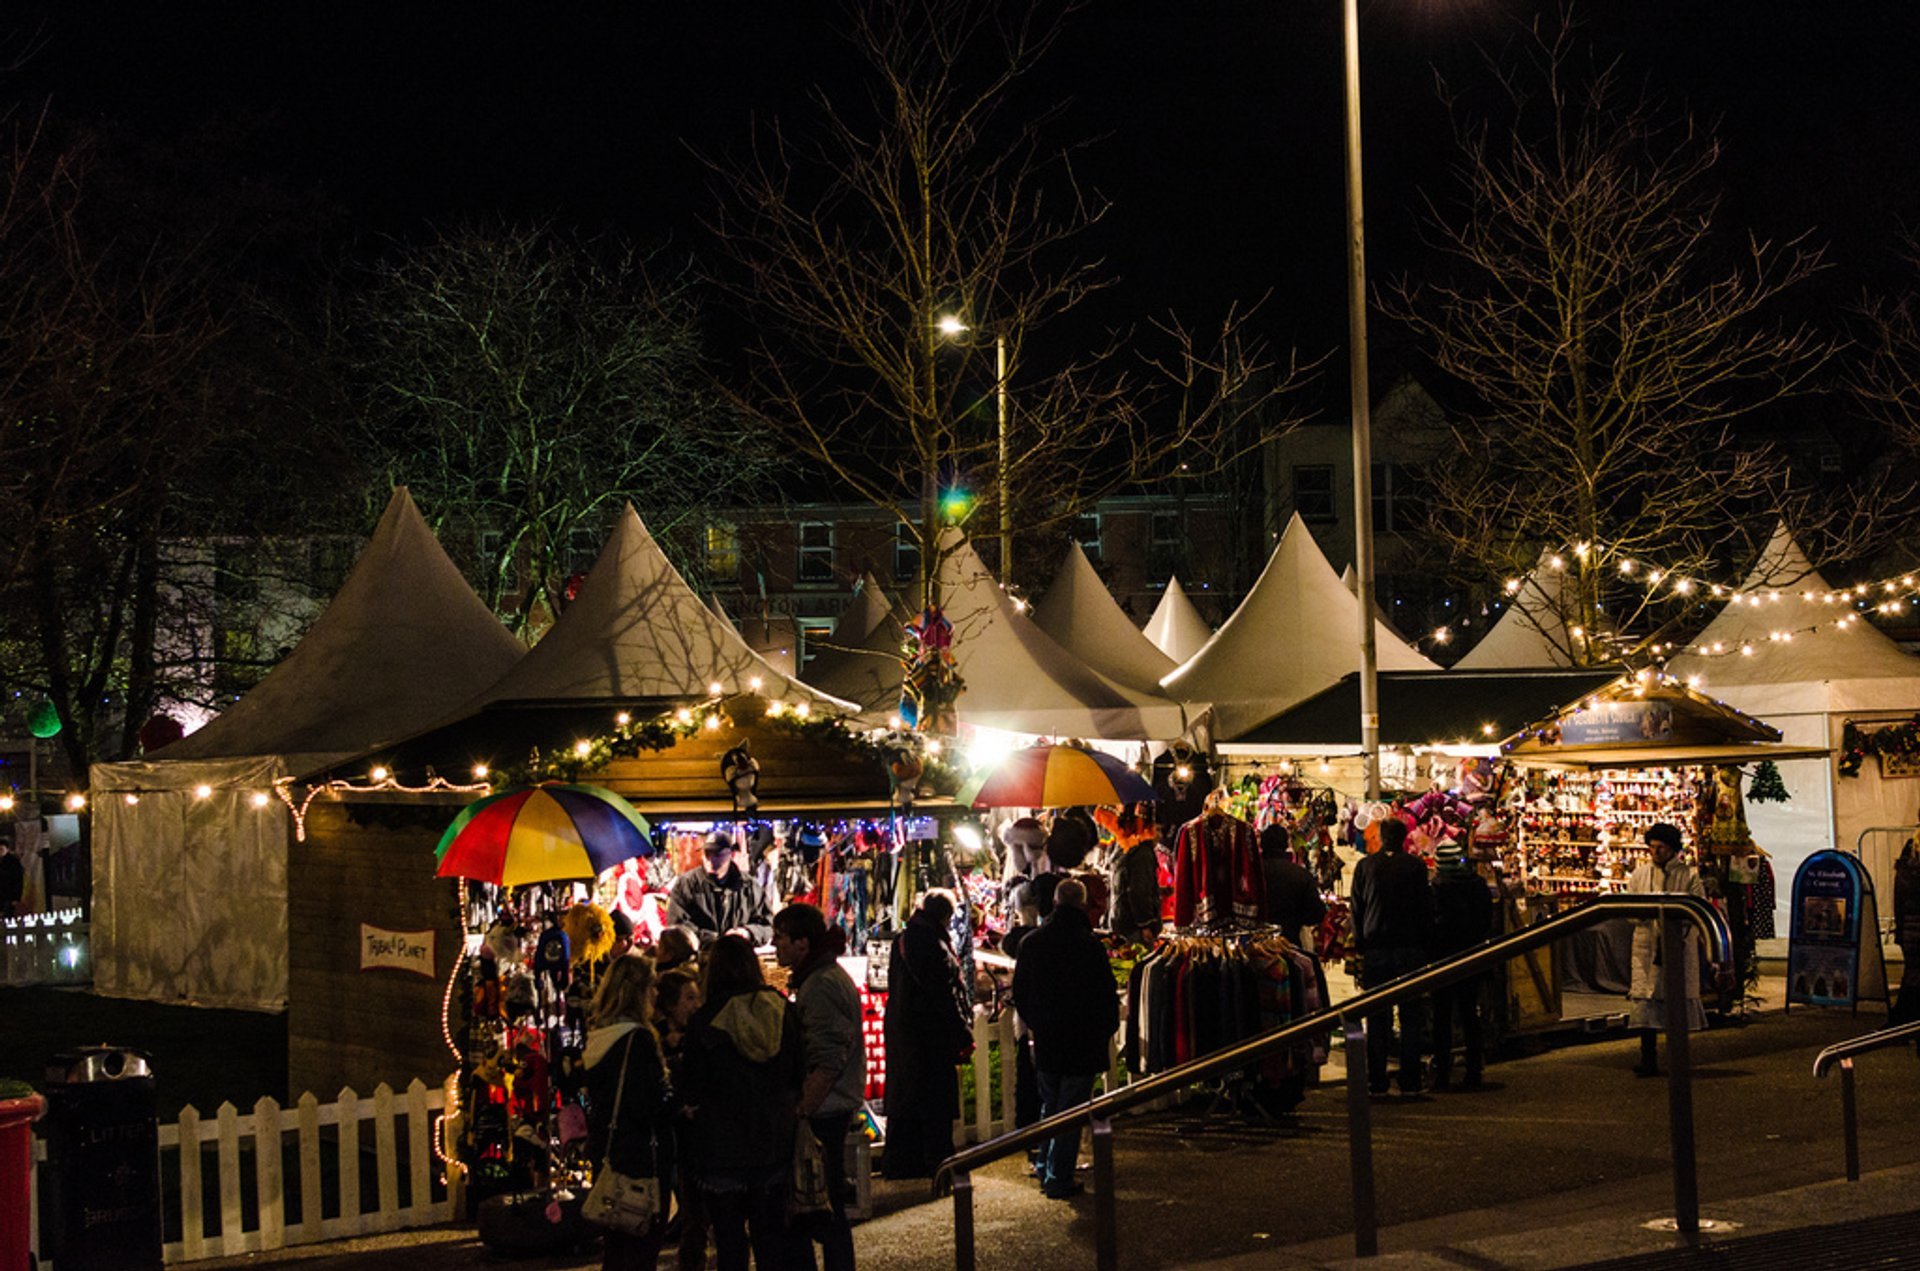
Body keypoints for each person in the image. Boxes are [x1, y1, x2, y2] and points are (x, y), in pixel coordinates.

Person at [678, 934, 804, 1271]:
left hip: (721, 1146)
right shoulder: (781, 1010)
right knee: (771, 1238)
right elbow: (798, 1071)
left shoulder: (705, 1020)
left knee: (730, 1243)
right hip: (773, 1138)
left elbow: (691, 1084)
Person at [1010, 878, 1118, 1200]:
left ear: (1054, 903)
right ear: (1082, 905)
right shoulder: (1089, 945)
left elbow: (1021, 993)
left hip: (1049, 1040)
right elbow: (1105, 994)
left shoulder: (1032, 943)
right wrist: (1104, 1030)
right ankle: (1057, 1175)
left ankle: (1046, 1164)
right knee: (1071, 1111)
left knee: (1050, 1106)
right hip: (1082, 1040)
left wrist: (1037, 1022)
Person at [772, 903, 865, 1271]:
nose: (775, 945)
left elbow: (827, 1060)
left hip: (825, 1110)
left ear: (802, 944)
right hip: (829, 1105)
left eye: (781, 938)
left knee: (817, 1206)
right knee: (824, 1208)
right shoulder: (820, 978)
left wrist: (802, 1109)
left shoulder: (822, 985)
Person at [583, 955, 676, 1271]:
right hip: (641, 1154)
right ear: (638, 991)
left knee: (617, 1242)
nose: (654, 996)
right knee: (640, 1239)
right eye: (651, 988)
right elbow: (650, 1102)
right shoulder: (637, 1039)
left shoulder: (598, 1038)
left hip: (609, 1149)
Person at [882, 890, 972, 1179]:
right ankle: (932, 1160)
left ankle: (904, 1161)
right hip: (927, 1036)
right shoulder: (930, 943)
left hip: (907, 1033)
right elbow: (942, 993)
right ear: (945, 916)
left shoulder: (907, 938)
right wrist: (961, 1032)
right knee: (931, 1100)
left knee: (908, 1100)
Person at [1348, 816, 1434, 1097]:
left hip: (1377, 948)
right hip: (1410, 947)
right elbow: (1425, 908)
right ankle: (1409, 1081)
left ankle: (1377, 1081)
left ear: (1382, 838)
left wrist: (1361, 945)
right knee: (1411, 1016)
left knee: (1377, 1017)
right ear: (1404, 838)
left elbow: (1356, 910)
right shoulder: (1415, 867)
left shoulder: (1365, 866)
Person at [1626, 823, 1707, 1077]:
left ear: (1672, 849)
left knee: (1676, 1004)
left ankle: (1678, 1059)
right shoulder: (1640, 875)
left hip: (1677, 946)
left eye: (1660, 847)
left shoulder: (1689, 876)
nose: (1655, 852)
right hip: (1646, 946)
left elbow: (1698, 909)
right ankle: (1647, 1058)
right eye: (1652, 847)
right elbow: (1629, 907)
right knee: (1646, 1001)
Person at [1427, 838, 1493, 1091]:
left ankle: (1442, 1073)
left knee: (1442, 1017)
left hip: (1443, 959)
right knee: (1469, 1014)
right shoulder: (1478, 886)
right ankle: (1474, 1070)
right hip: (1472, 956)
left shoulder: (1436, 888)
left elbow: (1431, 923)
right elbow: (1486, 918)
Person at [654, 967, 708, 1271]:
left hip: (693, 1141)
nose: (695, 1004)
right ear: (670, 1005)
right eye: (689, 998)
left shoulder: (699, 1038)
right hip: (667, 1142)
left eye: (697, 996)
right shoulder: (653, 1042)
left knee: (695, 1218)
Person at [667, 832, 773, 949]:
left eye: (717, 854)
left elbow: (767, 926)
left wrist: (747, 933)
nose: (710, 859)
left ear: (731, 855)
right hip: (699, 961)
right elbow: (677, 926)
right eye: (707, 853)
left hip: (738, 960)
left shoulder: (749, 886)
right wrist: (715, 940)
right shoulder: (685, 884)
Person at [1098, 804, 1162, 942]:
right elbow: (1140, 890)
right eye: (1157, 828)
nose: (1160, 834)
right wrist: (1145, 924)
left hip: (1118, 920)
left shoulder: (1122, 846)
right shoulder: (1141, 853)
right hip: (1134, 928)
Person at [1258, 824, 1326, 948]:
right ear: (1285, 845)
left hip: (1254, 946)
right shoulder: (1300, 874)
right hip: (1290, 944)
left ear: (1261, 845)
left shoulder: (1251, 874)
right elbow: (1316, 913)